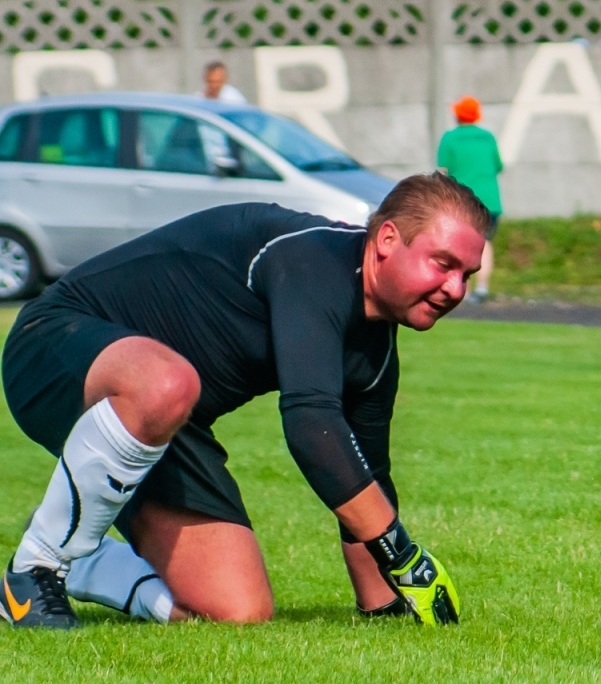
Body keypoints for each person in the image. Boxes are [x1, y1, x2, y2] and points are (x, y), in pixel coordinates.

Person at [2, 172, 489, 629]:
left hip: (165, 422)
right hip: (54, 344)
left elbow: (364, 476)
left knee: (238, 608)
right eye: (442, 263)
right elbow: (310, 421)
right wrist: (406, 558)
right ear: (386, 241)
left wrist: (385, 604)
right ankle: (34, 570)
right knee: (168, 382)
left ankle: (78, 544)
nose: (454, 288)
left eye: (467, 274)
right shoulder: (313, 258)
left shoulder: (375, 353)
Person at [437, 96, 504, 303]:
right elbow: (499, 166)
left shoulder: (450, 138)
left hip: (462, 200)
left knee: (460, 244)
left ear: (457, 115)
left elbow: (442, 170)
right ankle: (482, 287)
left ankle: (461, 289)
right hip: (490, 201)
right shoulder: (488, 137)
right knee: (486, 243)